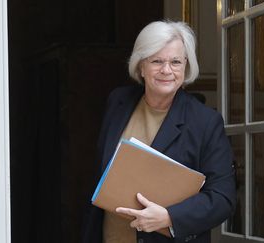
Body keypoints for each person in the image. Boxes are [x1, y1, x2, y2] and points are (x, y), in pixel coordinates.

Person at [82, 20, 236, 243]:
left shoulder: (205, 122)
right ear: (141, 66)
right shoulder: (118, 102)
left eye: (175, 62)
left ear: (186, 66)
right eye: (157, 61)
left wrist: (169, 217)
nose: (167, 70)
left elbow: (223, 199)